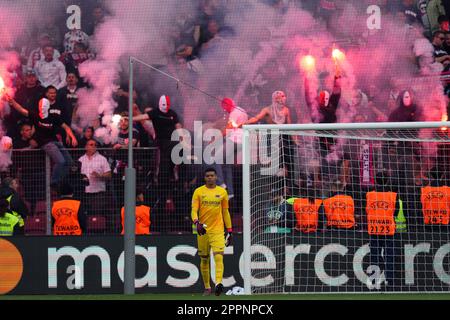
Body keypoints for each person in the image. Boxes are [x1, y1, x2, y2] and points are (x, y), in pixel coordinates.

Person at [5, 86, 78, 187]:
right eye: (40, 105)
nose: (42, 107)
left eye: (44, 106)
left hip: (55, 141)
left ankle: (61, 179)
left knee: (69, 162)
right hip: (46, 143)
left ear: (48, 107)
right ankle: (54, 182)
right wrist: (13, 102)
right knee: (60, 161)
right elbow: (22, 110)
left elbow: (66, 127)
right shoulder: (35, 116)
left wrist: (73, 137)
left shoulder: (53, 117)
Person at [191, 168, 232, 296]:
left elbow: (225, 212)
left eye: (212, 176)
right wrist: (197, 223)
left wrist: (229, 230)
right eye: (207, 176)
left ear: (216, 177)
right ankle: (207, 287)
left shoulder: (222, 192)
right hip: (203, 230)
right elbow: (193, 210)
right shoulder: (198, 192)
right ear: (204, 178)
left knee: (219, 256)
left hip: (218, 230)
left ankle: (218, 283)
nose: (210, 178)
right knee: (204, 259)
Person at [365, 172, 405, 288]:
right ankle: (390, 281)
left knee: (374, 255)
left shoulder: (369, 195)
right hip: (388, 230)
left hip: (374, 229)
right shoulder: (393, 195)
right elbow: (397, 212)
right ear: (387, 180)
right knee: (389, 256)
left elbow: (366, 210)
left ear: (375, 180)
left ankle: (373, 281)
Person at [213, 97, 248, 199]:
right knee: (226, 165)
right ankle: (230, 192)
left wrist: (216, 138)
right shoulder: (242, 110)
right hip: (243, 141)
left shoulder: (233, 113)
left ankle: (221, 184)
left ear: (226, 106)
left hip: (235, 140)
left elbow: (228, 129)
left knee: (216, 158)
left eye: (224, 108)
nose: (225, 111)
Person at [78, 139, 112, 230]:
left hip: (98, 193)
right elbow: (77, 175)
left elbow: (109, 174)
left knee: (97, 215)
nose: (93, 146)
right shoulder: (80, 159)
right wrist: (82, 178)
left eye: (95, 145)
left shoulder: (102, 159)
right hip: (85, 193)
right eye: (91, 144)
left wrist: (99, 175)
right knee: (85, 215)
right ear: (86, 147)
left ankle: (99, 233)